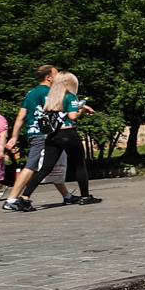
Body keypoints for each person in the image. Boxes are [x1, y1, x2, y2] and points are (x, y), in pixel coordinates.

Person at [19, 68, 98, 205]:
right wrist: (81, 111)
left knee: (45, 168)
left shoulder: (51, 98)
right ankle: (85, 197)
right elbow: (72, 115)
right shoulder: (70, 96)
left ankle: (25, 196)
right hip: (68, 134)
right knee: (79, 165)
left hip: (52, 136)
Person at [2, 66, 57, 212]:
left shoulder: (30, 93)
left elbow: (20, 117)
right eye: (56, 74)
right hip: (42, 134)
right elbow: (55, 110)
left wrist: (14, 136)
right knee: (31, 165)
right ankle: (11, 200)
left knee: (48, 164)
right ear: (49, 77)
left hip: (31, 132)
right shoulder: (47, 92)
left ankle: (67, 195)